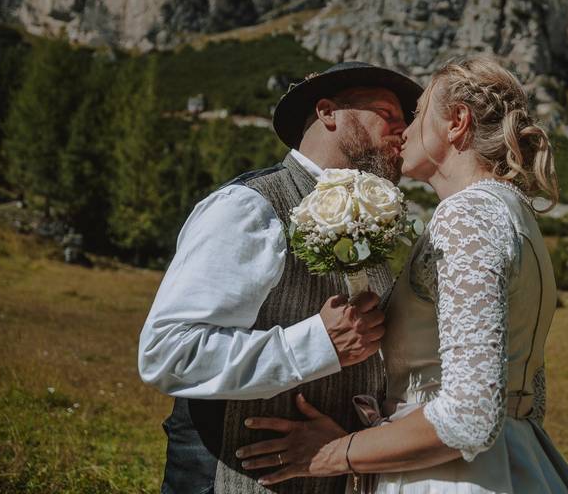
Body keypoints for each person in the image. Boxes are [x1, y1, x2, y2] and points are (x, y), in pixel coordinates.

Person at [234, 55, 568, 493]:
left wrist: (335, 452)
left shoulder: (467, 215)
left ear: (457, 122)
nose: (403, 130)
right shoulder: (514, 214)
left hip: (450, 477)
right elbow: (528, 395)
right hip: (518, 461)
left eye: (417, 114)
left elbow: (471, 416)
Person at [137, 61, 423, 494]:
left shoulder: (373, 228)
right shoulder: (250, 207)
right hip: (226, 478)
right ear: (327, 112)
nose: (402, 132)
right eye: (388, 114)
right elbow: (168, 352)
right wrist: (316, 344)